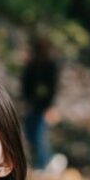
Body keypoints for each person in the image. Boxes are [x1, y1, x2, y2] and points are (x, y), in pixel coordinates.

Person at [21, 37, 60, 170]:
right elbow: (26, 84)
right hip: (33, 104)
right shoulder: (32, 65)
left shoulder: (50, 65)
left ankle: (42, 165)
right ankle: (38, 163)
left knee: (39, 135)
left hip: (42, 106)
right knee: (31, 134)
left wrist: (49, 107)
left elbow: (52, 88)